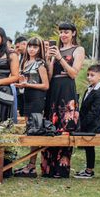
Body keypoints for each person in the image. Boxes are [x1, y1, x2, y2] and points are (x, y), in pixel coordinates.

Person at [40, 22, 85, 178]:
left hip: (67, 89)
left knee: (65, 127)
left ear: (73, 33)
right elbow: (50, 75)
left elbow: (73, 73)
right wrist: (48, 59)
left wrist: (60, 58)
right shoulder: (56, 51)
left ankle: (61, 169)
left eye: (66, 32)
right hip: (54, 89)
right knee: (51, 125)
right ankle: (48, 169)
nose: (63, 35)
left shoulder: (78, 50)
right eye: (61, 32)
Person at [13, 37, 50, 177]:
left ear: (40, 49)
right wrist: (21, 82)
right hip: (25, 97)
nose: (32, 49)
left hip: (36, 98)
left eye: (35, 47)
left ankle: (32, 166)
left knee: (34, 131)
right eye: (30, 46)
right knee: (29, 129)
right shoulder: (25, 61)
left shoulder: (40, 64)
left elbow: (46, 85)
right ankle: (30, 164)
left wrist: (27, 84)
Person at [74, 64, 100, 179]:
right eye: (88, 75)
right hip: (86, 124)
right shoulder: (90, 89)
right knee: (88, 147)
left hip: (93, 126)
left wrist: (82, 124)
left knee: (89, 146)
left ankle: (89, 170)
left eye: (92, 75)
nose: (89, 77)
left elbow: (94, 113)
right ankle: (88, 169)